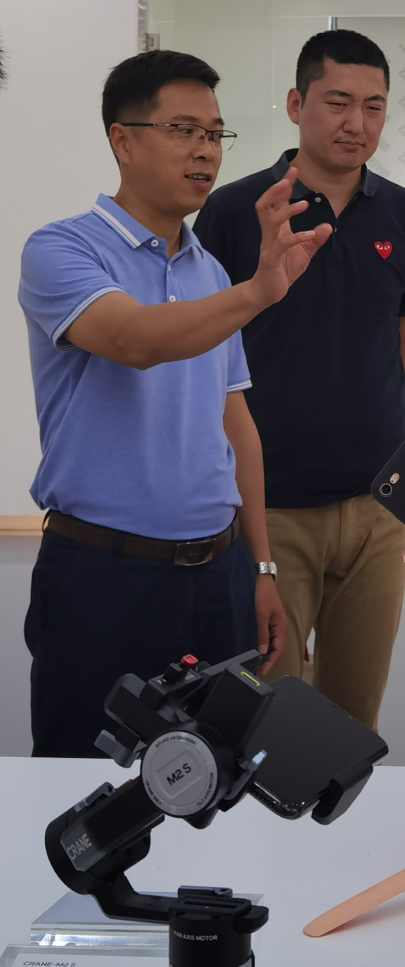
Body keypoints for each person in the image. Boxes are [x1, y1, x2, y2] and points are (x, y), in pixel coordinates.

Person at [19, 50, 331, 757]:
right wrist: (259, 292)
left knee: (216, 779)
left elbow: (236, 426)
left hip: (218, 575)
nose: (205, 151)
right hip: (103, 575)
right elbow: (133, 339)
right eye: (184, 130)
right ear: (122, 140)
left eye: (215, 134)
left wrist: (260, 568)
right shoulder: (62, 249)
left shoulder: (209, 272)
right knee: (87, 779)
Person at [193, 30, 405, 732]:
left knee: (353, 718)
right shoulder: (236, 210)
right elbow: (203, 354)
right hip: (270, 508)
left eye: (374, 106)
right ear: (296, 104)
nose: (356, 122)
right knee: (267, 718)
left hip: (378, 507)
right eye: (337, 102)